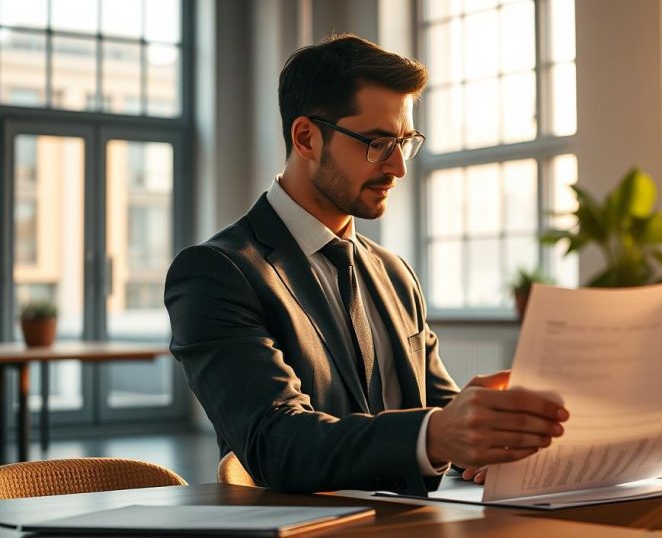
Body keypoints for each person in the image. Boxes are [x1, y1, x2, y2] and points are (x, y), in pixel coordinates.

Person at [164, 34, 568, 495]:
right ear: (306, 138)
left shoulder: (394, 273)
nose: (397, 167)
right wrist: (437, 433)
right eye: (377, 143)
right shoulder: (217, 273)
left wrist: (489, 434)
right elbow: (276, 443)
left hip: (420, 523)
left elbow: (438, 414)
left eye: (405, 142)